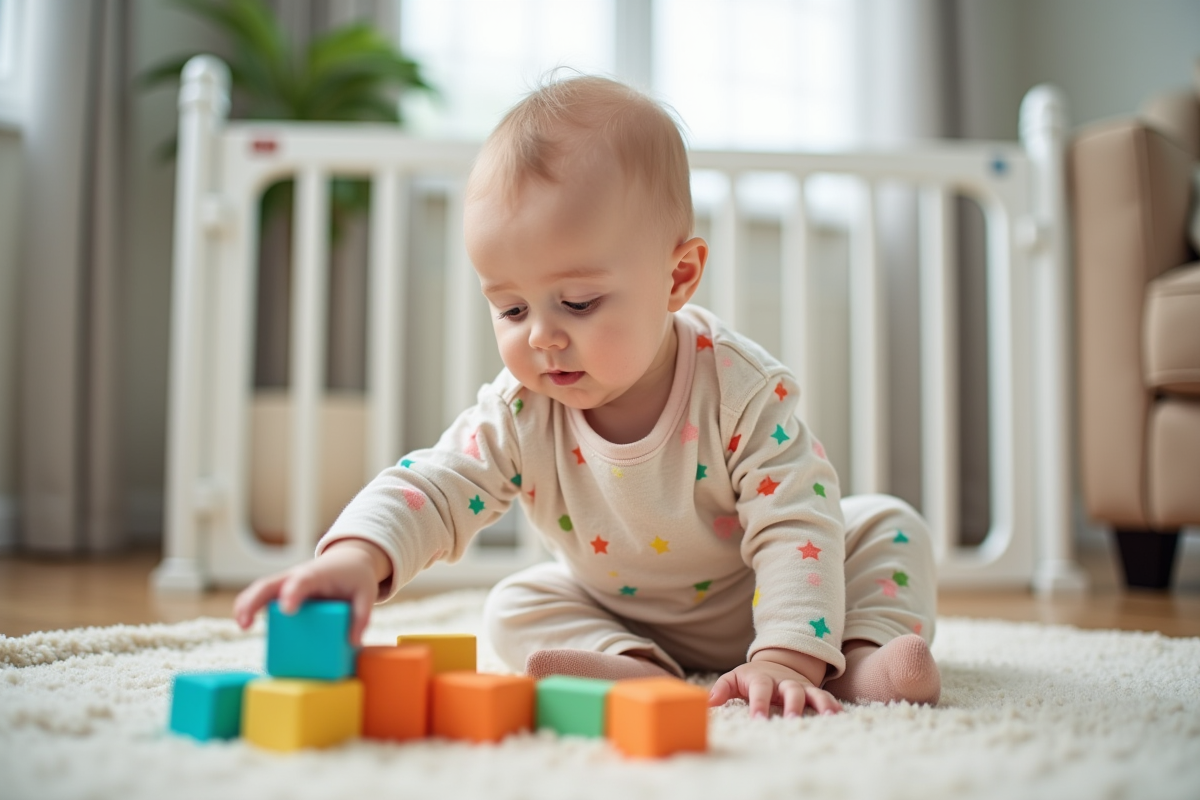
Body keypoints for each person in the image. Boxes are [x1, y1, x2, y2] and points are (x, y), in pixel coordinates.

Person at [234, 75, 941, 718]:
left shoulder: (739, 390)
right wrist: (355, 556)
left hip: (765, 598)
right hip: (618, 612)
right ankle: (636, 673)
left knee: (887, 525)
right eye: (511, 310)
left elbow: (794, 525)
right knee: (512, 603)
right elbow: (438, 483)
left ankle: (857, 665)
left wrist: (786, 653)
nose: (541, 337)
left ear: (678, 277)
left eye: (576, 302)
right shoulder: (521, 409)